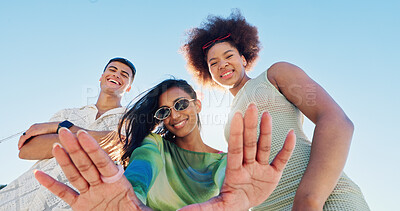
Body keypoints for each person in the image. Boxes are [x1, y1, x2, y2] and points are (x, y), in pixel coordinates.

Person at [182, 11, 369, 210]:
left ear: (244, 59)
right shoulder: (229, 118)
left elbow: (336, 121)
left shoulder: (274, 75)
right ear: (209, 73)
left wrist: (309, 200)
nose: (222, 64)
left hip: (325, 200)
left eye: (228, 56)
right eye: (213, 63)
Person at [34, 78, 296, 210]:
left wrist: (237, 204)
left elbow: (230, 191)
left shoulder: (226, 163)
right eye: (163, 112)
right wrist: (132, 199)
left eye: (181, 105)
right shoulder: (155, 146)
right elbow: (141, 171)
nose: (174, 115)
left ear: (198, 104)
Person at [0, 57, 136, 211]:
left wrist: (60, 128)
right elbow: (27, 151)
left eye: (124, 74)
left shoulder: (131, 120)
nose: (117, 75)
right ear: (101, 76)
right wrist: (90, 138)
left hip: (73, 202)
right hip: (19, 196)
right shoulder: (67, 113)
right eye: (112, 70)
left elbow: (118, 144)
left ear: (129, 87)